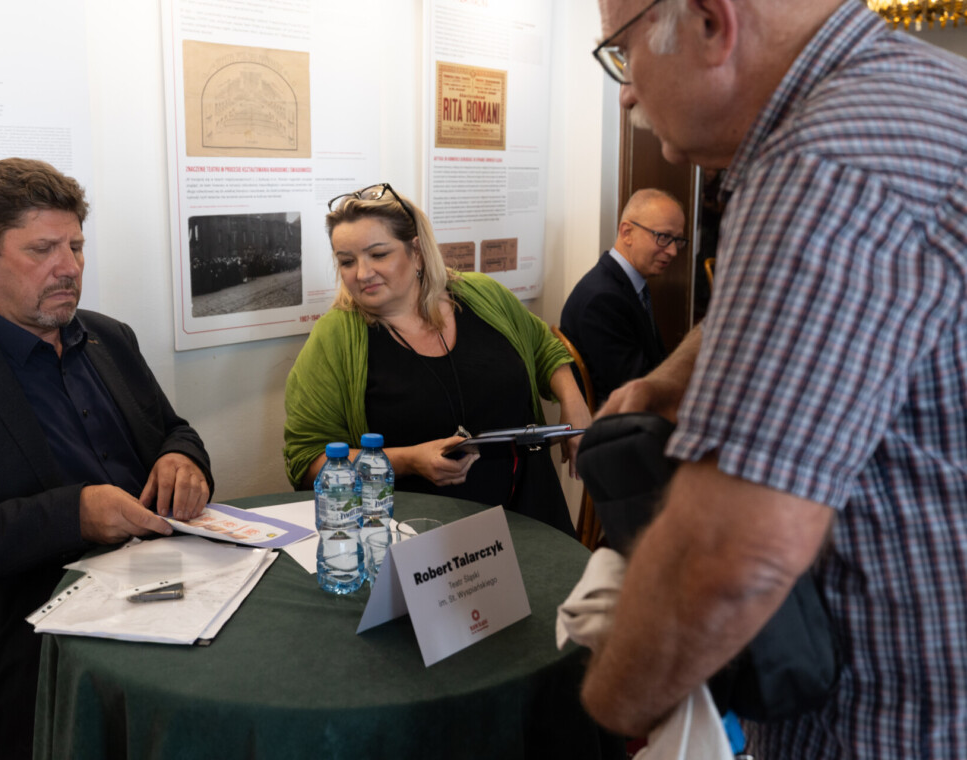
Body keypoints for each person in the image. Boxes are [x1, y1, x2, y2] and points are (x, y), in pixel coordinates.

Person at [578, 1, 967, 758]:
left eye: (623, 53)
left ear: (710, 24)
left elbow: (730, 556)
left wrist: (604, 707)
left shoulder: (823, 164)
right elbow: (791, 305)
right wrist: (672, 377)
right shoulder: (916, 90)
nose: (625, 93)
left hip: (894, 721)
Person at [0, 158, 213, 760]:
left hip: (159, 611)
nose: (69, 267)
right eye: (42, 249)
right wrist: (74, 515)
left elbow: (173, 431)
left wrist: (183, 459)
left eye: (75, 246)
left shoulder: (111, 337)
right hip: (24, 656)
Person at [283, 183, 591, 535]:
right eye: (347, 261)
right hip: (419, 538)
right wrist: (407, 461)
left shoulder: (482, 295)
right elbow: (308, 460)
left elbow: (543, 346)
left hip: (532, 513)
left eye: (378, 254)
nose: (362, 273)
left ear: (416, 252)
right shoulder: (336, 337)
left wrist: (573, 401)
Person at [559, 188, 685, 403]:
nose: (673, 251)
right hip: (621, 418)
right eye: (663, 237)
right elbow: (633, 387)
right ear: (627, 232)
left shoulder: (626, 284)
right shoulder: (602, 299)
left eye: (677, 240)